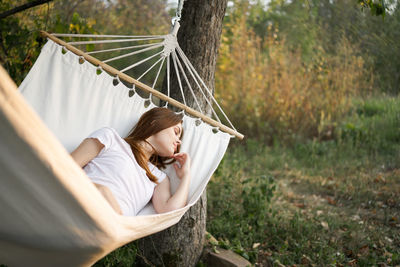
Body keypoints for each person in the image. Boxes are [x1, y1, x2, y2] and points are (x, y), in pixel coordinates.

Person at [70, 107, 191, 216]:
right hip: (80, 203)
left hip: (113, 226)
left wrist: (186, 175)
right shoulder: (111, 139)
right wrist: (100, 191)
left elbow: (170, 211)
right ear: (155, 123)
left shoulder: (158, 177)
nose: (178, 141)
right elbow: (66, 166)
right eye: (176, 132)